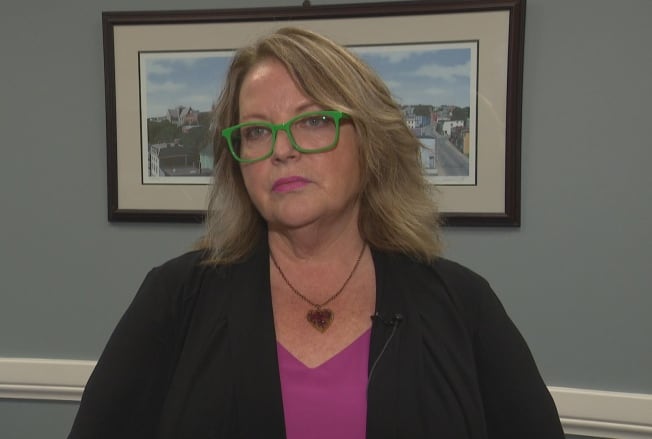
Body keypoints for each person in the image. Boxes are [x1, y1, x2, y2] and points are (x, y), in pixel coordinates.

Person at [68, 27, 564, 438]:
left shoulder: (461, 304)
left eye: (313, 121)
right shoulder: (175, 298)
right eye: (257, 131)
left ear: (369, 141)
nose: (282, 150)